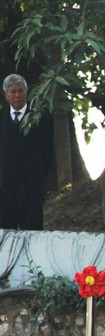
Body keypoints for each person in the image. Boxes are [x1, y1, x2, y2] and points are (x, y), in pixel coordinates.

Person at [0, 74, 53, 230]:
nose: (17, 95)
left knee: (32, 231)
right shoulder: (2, 119)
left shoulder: (40, 117)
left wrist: (38, 175)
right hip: (5, 189)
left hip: (31, 187)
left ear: (26, 92)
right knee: (5, 234)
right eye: (13, 91)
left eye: (20, 91)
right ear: (6, 94)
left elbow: (47, 152)